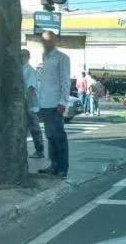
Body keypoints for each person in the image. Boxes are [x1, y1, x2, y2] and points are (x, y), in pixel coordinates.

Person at [37, 31, 70, 178]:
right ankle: (53, 165)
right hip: (44, 103)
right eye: (44, 41)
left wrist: (63, 101)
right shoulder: (44, 57)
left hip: (55, 103)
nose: (47, 43)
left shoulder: (62, 58)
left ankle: (63, 167)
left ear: (56, 41)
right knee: (50, 136)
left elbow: (65, 80)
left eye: (50, 40)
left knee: (59, 136)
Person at [21, 49, 44, 159]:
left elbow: (31, 89)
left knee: (34, 127)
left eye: (24, 55)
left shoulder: (29, 70)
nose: (22, 57)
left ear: (28, 57)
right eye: (20, 55)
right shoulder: (21, 69)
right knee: (23, 128)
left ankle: (39, 150)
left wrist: (27, 103)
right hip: (23, 103)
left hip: (29, 104)